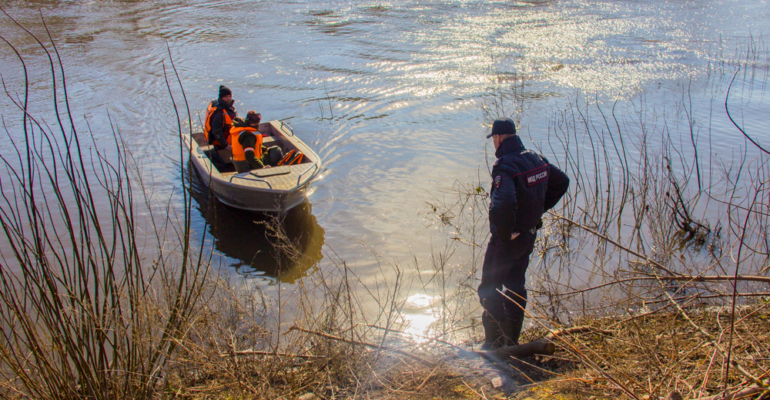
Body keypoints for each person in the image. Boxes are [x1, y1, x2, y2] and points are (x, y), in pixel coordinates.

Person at [479, 117, 569, 350]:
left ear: (497, 138)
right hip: (528, 235)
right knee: (516, 284)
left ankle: (493, 344)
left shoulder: (505, 165)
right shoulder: (535, 158)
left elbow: (504, 202)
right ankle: (512, 340)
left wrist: (507, 232)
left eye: (494, 139)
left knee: (489, 288)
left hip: (509, 240)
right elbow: (562, 181)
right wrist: (537, 210)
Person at [204, 85, 237, 152]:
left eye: (229, 96)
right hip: (221, 144)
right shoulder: (219, 112)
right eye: (226, 97)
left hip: (230, 139)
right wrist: (226, 145)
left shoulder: (229, 108)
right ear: (221, 97)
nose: (228, 98)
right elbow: (216, 131)